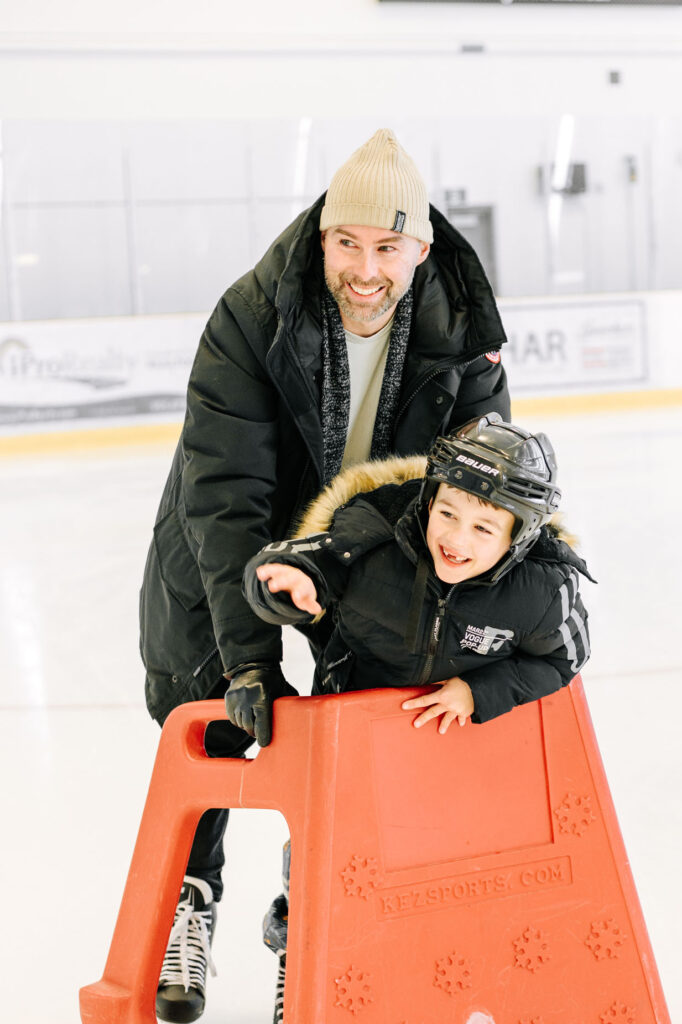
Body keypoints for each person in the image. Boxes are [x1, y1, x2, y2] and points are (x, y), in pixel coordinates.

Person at [140, 128, 510, 1023]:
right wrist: (249, 661)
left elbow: (479, 501)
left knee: (357, 736)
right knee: (217, 717)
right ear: (322, 240)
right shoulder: (252, 316)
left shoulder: (465, 341)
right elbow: (226, 497)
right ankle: (192, 897)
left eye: (388, 246)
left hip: (365, 558)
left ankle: (307, 917)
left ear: (421, 249)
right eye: (348, 243)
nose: (366, 268)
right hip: (225, 545)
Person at [245, 414, 593, 1022]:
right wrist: (282, 582)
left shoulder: (540, 589)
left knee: (441, 870)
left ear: (519, 536)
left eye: (485, 527)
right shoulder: (376, 530)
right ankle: (297, 960)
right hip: (354, 734)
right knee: (325, 857)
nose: (457, 538)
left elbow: (563, 660)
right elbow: (306, 559)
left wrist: (477, 691)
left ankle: (429, 974)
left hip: (455, 750)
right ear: (430, 497)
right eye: (448, 513)